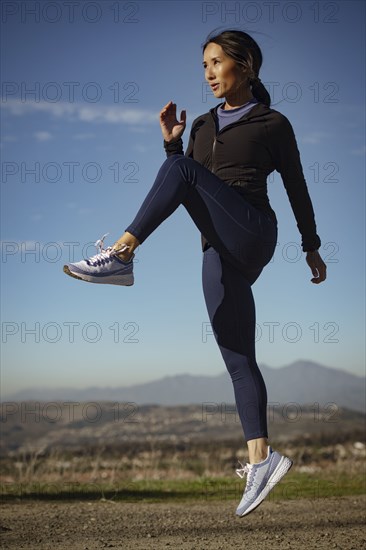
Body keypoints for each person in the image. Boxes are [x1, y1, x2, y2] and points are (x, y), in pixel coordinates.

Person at [63, 29, 327, 516]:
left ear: (244, 65)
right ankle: (261, 461)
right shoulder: (202, 124)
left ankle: (121, 255)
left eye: (215, 62)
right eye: (202, 65)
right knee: (237, 358)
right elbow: (181, 187)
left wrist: (310, 247)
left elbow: (297, 187)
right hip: (216, 248)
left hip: (252, 232)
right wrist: (172, 145)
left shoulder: (272, 123)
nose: (207, 73)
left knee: (182, 172)